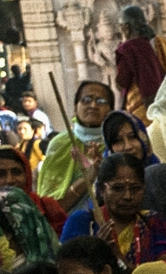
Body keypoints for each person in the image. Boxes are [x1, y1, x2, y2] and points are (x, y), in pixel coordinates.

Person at [34, 80, 115, 211]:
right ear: (75, 108)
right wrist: (89, 176)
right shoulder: (60, 144)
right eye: (86, 100)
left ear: (111, 109)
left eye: (101, 101)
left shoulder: (116, 141)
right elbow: (52, 207)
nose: (93, 105)